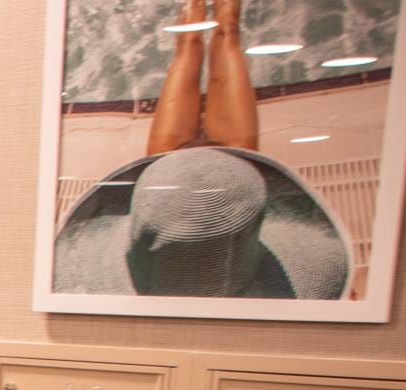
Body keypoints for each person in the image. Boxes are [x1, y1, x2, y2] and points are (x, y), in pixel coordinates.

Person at [53, 0, 349, 300]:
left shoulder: (171, 224)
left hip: (178, 205)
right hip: (223, 206)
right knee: (218, 37)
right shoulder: (227, 208)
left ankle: (200, 18)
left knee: (197, 45)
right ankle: (211, 19)